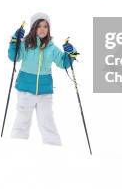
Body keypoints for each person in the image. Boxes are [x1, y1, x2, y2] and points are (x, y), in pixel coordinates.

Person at [8, 12, 78, 146]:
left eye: (45, 26)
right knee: (22, 120)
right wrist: (15, 41)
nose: (42, 29)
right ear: (33, 28)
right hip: (25, 90)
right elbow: (14, 57)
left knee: (47, 121)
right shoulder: (26, 44)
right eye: (39, 26)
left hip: (45, 92)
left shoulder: (51, 48)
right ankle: (16, 146)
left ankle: (53, 147)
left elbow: (63, 62)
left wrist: (71, 52)